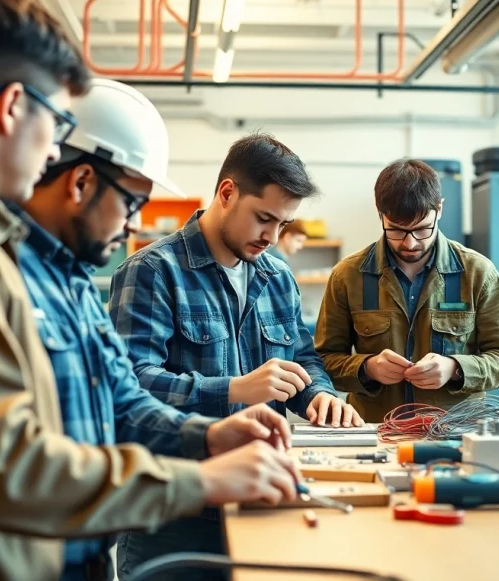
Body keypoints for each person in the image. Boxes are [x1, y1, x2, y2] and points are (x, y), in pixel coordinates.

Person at [0, 0, 299, 580]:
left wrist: (206, 435)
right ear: (12, 107)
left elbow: (114, 397)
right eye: (56, 124)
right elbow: (1, 469)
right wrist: (199, 480)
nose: (55, 151)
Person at [108, 132, 363, 576]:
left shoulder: (277, 275)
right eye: (264, 218)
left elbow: (302, 359)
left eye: (283, 224)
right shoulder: (151, 271)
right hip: (176, 515)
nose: (272, 235)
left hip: (261, 501)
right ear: (227, 193)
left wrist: (319, 394)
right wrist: (233, 390)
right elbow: (128, 385)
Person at [314, 159, 499, 423]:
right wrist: (366, 368)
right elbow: (322, 361)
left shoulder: (477, 273)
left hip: (456, 432)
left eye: (423, 229)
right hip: (378, 430)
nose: (410, 243)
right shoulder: (348, 276)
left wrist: (456, 369)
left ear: (440, 209)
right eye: (397, 230)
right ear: (380, 213)